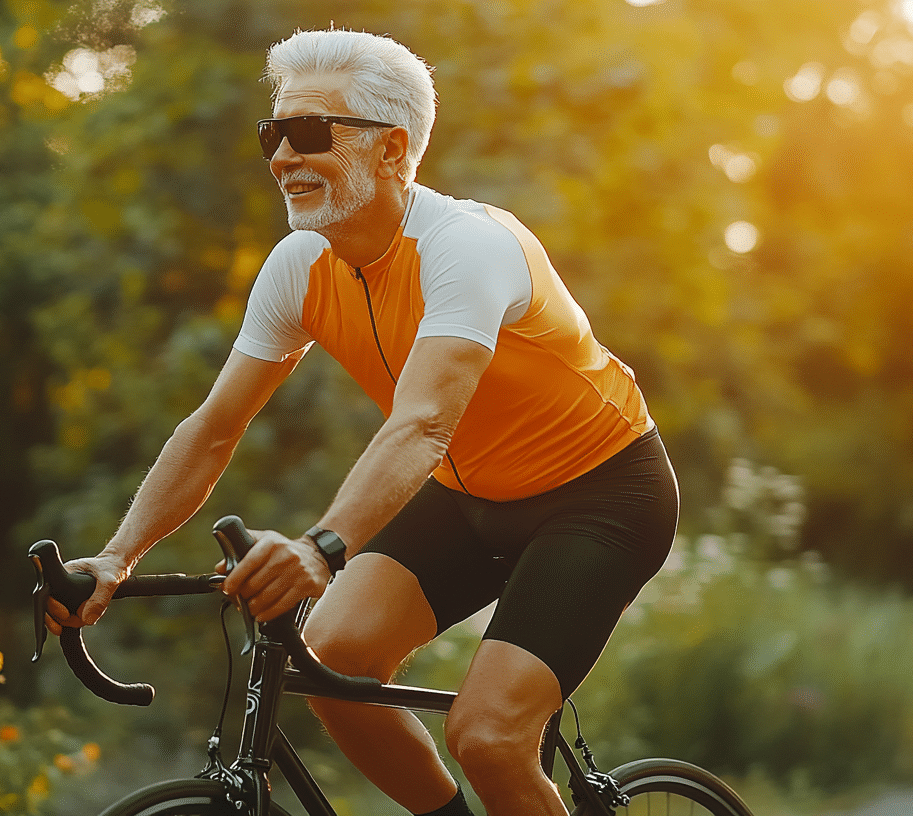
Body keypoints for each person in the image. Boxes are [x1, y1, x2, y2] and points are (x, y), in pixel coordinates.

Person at [46, 28, 678, 816]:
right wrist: (118, 556)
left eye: (310, 133)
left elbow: (421, 426)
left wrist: (322, 547)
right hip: (469, 492)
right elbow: (214, 427)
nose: (281, 157)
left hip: (600, 494)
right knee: (332, 662)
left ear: (391, 151)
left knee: (487, 736)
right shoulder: (301, 263)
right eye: (273, 133)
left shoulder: (466, 247)